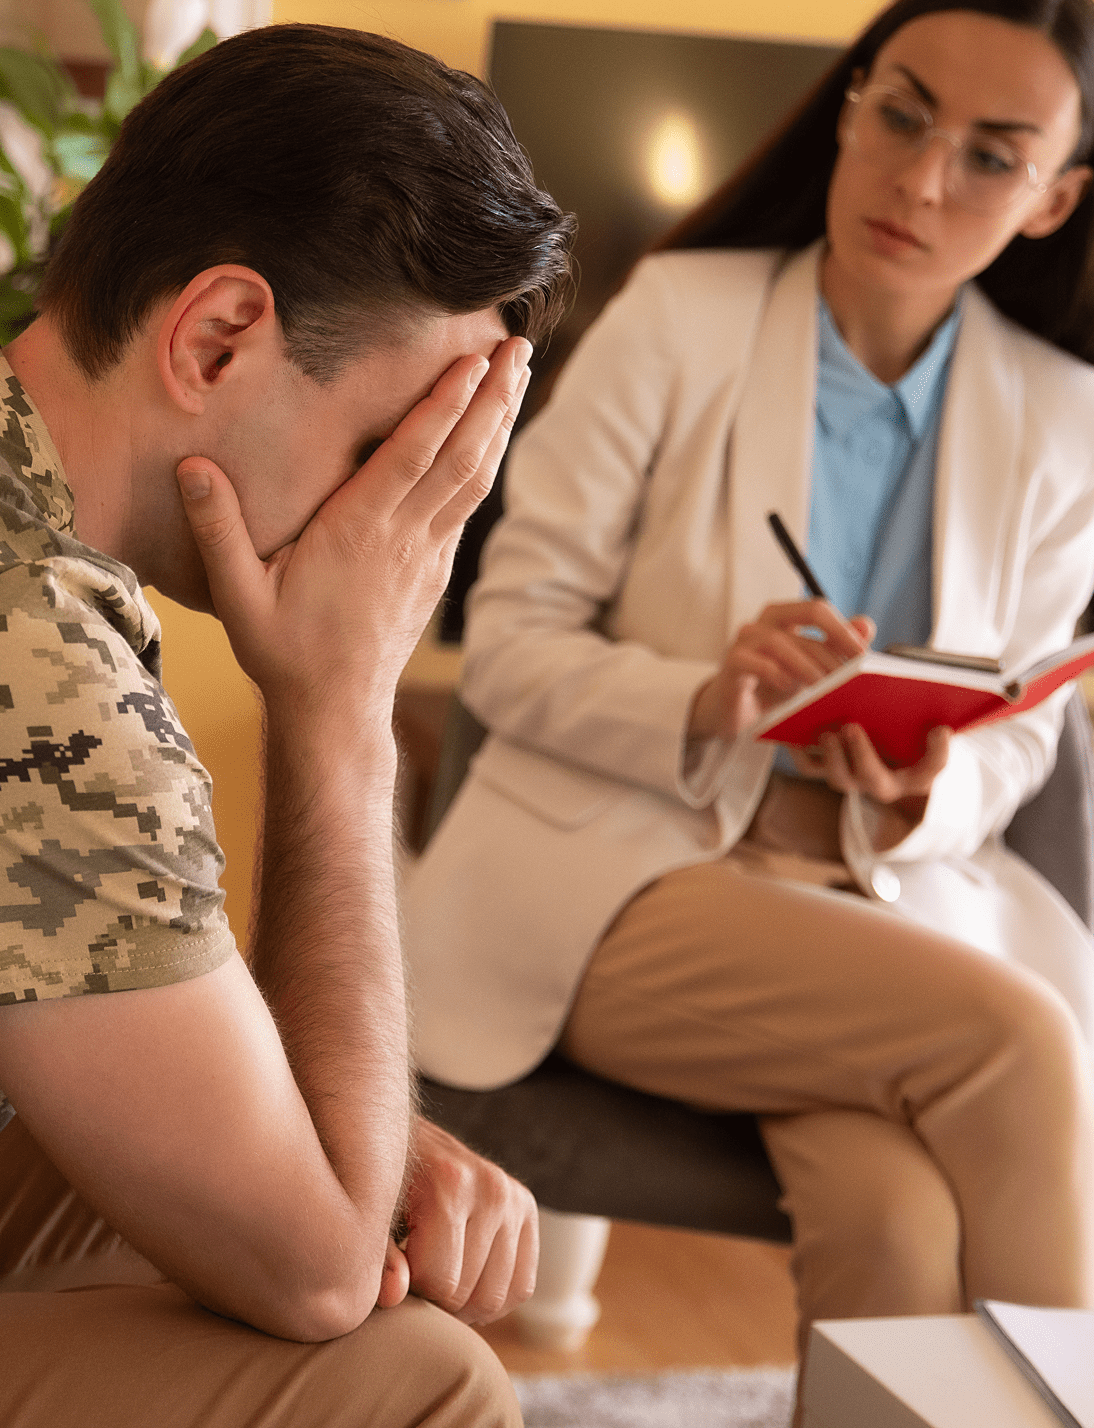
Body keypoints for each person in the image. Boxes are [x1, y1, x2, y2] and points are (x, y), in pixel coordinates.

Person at [403, 0, 1094, 1416]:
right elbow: (514, 646)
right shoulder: (678, 319)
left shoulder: (1066, 416)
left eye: (991, 157)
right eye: (901, 115)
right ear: (848, 107)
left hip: (881, 897)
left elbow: (1024, 727)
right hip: (621, 877)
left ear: (1055, 202)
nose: (920, 181)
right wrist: (709, 694)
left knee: (898, 1216)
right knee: (1021, 1041)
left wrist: (931, 791)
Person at [0, 24, 575, 1428]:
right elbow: (320, 1277)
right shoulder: (18, 639)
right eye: (396, 453)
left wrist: (336, 1138)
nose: (404, 529)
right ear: (218, 336)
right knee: (415, 1380)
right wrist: (341, 708)